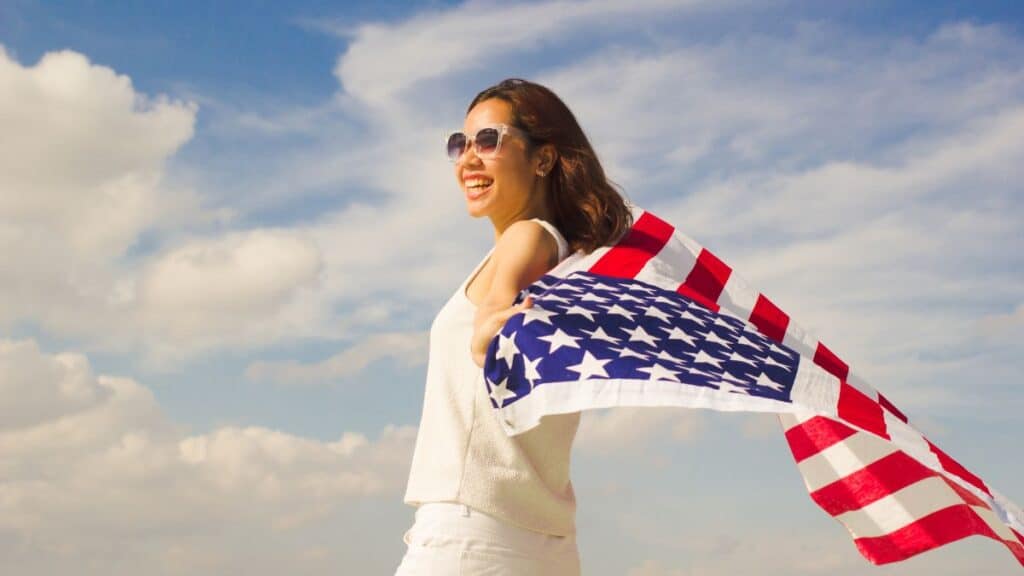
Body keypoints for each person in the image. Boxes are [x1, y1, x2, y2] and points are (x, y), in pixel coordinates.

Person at [394, 78, 634, 575]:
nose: (467, 159)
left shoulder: (528, 238)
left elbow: (497, 310)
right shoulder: (568, 261)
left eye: (489, 140)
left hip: (470, 539)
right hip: (542, 546)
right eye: (459, 144)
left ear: (543, 159)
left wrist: (486, 333)